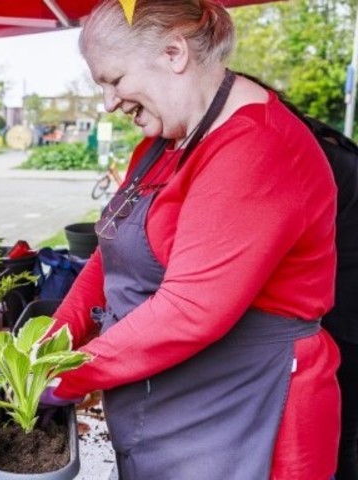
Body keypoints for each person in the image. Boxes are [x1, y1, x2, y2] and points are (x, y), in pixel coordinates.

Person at [42, 1, 340, 478]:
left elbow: (192, 310)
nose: (109, 103)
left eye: (114, 80)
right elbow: (111, 254)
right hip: (167, 414)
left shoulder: (257, 148)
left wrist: (65, 372)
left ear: (173, 52)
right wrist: (51, 339)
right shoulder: (165, 141)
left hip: (243, 418)